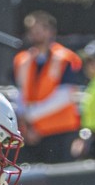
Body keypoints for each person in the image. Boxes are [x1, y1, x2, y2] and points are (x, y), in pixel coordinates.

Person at [12, 11, 84, 164]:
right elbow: (21, 93)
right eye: (32, 30)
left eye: (41, 29)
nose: (36, 34)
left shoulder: (65, 57)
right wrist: (25, 123)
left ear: (51, 31)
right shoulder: (22, 59)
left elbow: (66, 95)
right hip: (30, 134)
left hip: (59, 131)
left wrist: (30, 115)